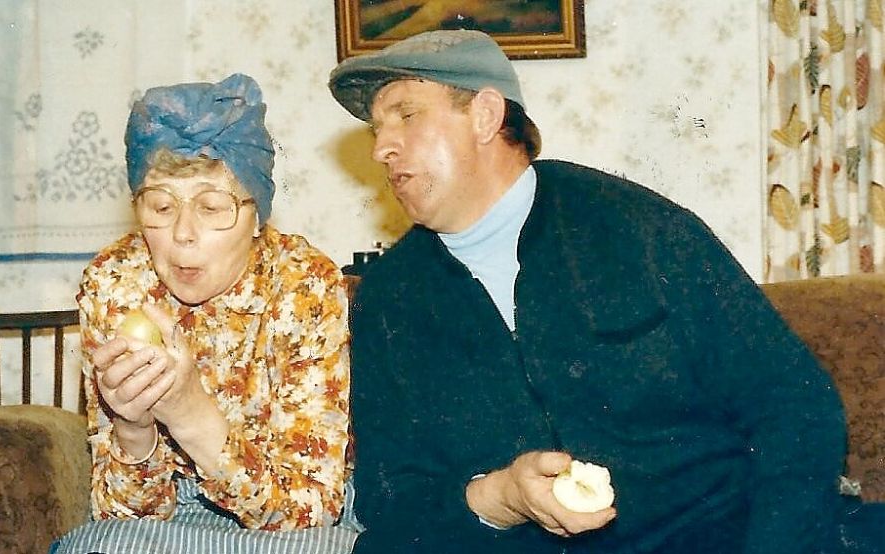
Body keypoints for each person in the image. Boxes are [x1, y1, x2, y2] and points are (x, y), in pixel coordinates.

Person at [328, 30, 883, 553]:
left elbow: (794, 406)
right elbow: (392, 503)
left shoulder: (636, 230)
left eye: (405, 116)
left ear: (485, 115)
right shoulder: (388, 300)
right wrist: (501, 497)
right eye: (377, 129)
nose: (383, 149)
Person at [53, 73, 359, 554]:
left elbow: (311, 510)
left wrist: (191, 414)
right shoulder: (115, 281)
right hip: (173, 514)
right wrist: (134, 431)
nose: (183, 234)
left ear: (257, 215)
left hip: (284, 515)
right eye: (160, 206)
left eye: (213, 207)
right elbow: (120, 517)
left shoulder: (304, 282)